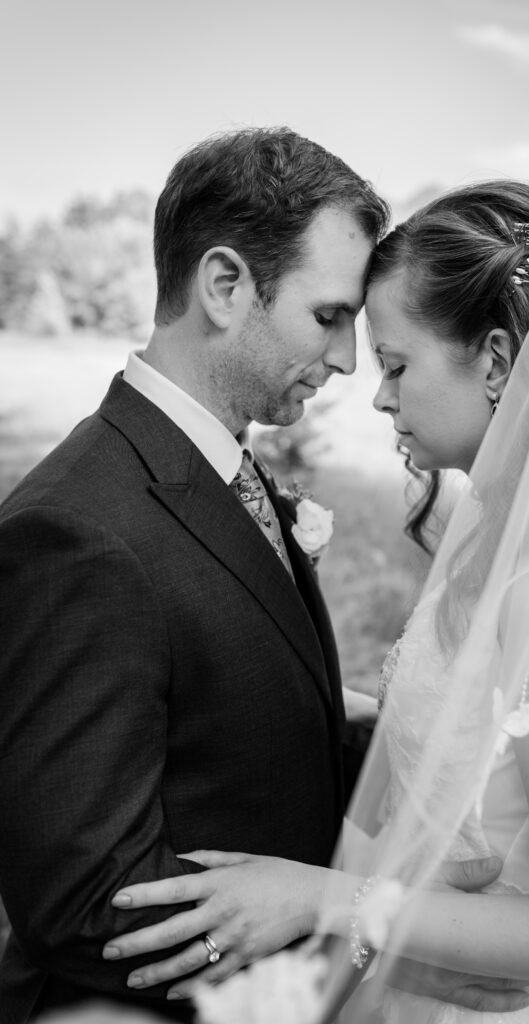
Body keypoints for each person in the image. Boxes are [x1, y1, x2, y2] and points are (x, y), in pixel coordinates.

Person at [104, 181, 529, 1023]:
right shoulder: (507, 532)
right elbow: (476, 736)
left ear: (491, 361)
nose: (376, 396)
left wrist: (321, 898)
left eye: (397, 366)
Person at [0, 126, 389, 1023]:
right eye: (328, 316)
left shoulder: (220, 464)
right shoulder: (77, 532)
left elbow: (223, 713)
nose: (346, 361)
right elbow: (86, 902)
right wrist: (337, 922)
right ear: (224, 286)